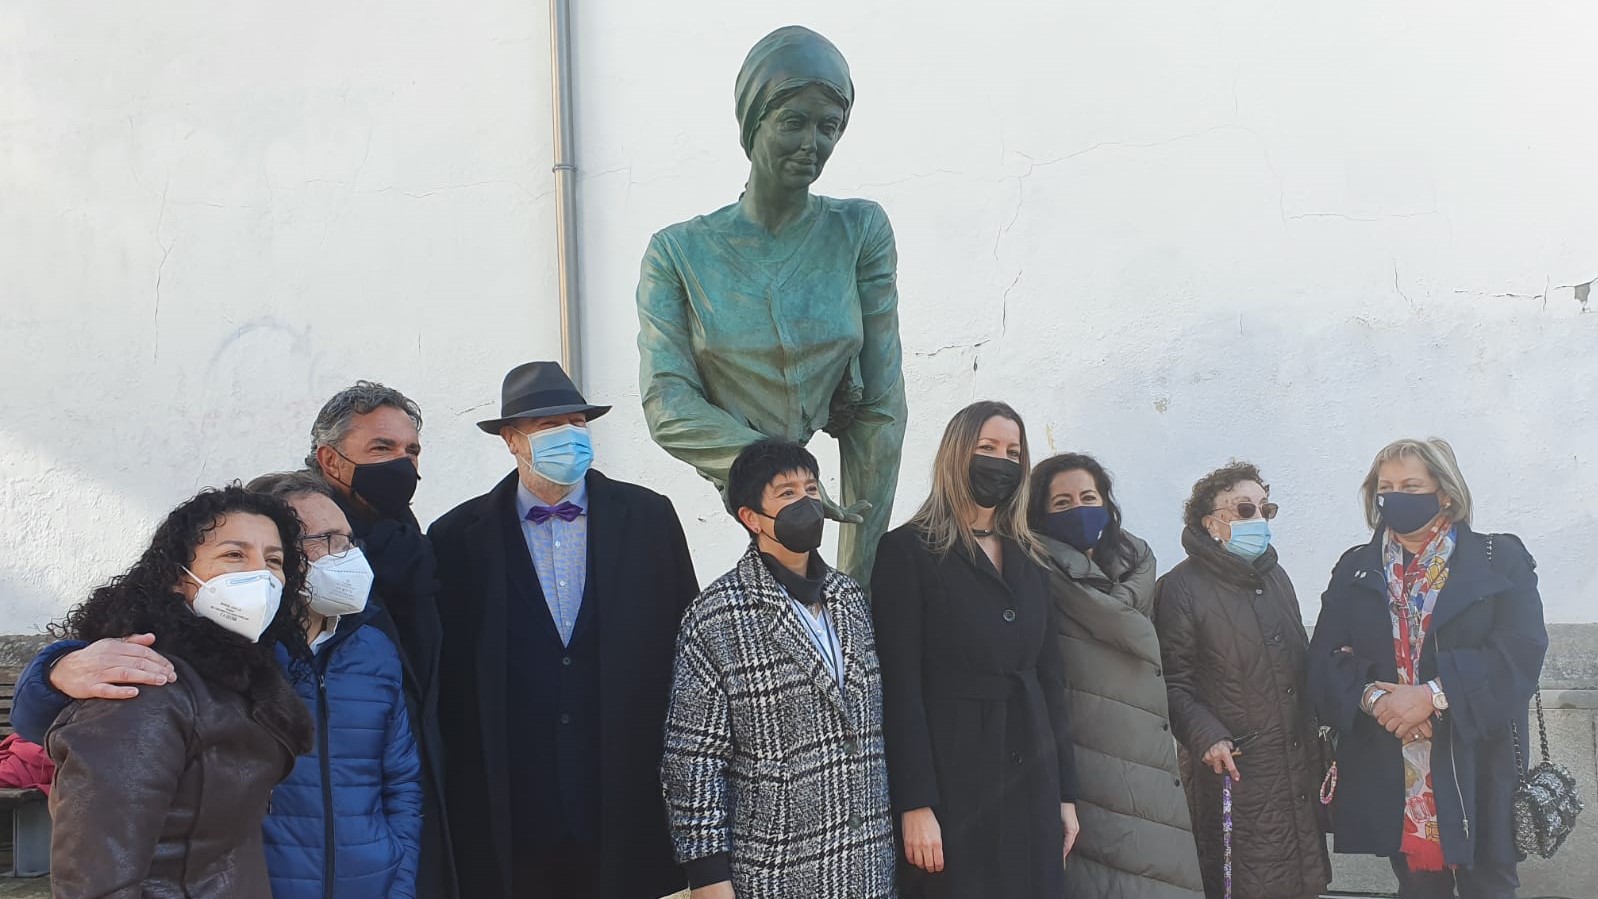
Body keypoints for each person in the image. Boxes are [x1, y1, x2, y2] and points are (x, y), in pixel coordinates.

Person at [15, 381, 457, 898]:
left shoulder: (372, 638)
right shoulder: (230, 646)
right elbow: (100, 844)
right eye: (320, 542)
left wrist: (398, 875)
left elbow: (401, 782)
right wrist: (55, 669)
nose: (343, 555)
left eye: (348, 540)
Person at [636, 24, 907, 582]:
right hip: (745, 487)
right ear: (753, 123)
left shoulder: (859, 230)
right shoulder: (678, 252)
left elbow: (881, 411)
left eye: (828, 127)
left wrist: (857, 580)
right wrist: (785, 480)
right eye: (793, 123)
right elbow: (668, 402)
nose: (812, 144)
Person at [429, 361, 699, 899]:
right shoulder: (457, 537)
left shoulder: (648, 517)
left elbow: (688, 644)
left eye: (577, 422)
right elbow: (452, 679)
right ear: (511, 440)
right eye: (549, 427)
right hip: (515, 807)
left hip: (625, 791)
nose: (569, 437)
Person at [46, 485, 315, 898]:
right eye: (234, 554)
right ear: (178, 578)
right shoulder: (149, 684)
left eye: (274, 560)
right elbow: (96, 878)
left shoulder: (239, 676)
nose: (261, 574)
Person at [1309, 438, 1546, 899]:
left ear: (1446, 492)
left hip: (1476, 758)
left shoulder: (1499, 559)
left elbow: (1521, 650)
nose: (1395, 496)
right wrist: (1382, 703)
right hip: (1394, 763)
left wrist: (1432, 697)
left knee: (1491, 886)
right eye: (1386, 487)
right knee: (1417, 887)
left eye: (1411, 485)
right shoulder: (1355, 568)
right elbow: (1325, 658)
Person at [662, 439, 895, 898]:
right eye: (787, 494)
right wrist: (709, 878)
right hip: (776, 869)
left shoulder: (849, 597)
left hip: (868, 864)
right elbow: (692, 761)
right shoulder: (717, 616)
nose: (806, 502)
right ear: (751, 518)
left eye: (811, 488)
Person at [872, 400, 1079, 899]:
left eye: (1013, 452)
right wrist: (916, 804)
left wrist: (1065, 794)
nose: (1000, 462)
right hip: (954, 779)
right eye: (987, 448)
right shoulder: (907, 551)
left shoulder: (1030, 556)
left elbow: (1052, 681)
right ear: (956, 453)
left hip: (1031, 770)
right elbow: (900, 687)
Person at [1027, 452, 1204, 899]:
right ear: (1040, 514)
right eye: (1062, 503)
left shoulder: (1138, 562)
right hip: (1087, 765)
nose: (1079, 509)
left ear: (1106, 504)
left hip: (1152, 763)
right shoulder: (1034, 573)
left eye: (1088, 497)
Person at [1153, 462, 1330, 899]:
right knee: (1244, 884)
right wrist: (1207, 736)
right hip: (1235, 768)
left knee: (1302, 881)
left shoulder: (1275, 577)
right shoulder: (1180, 588)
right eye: (1244, 509)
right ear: (1210, 522)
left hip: (1294, 768)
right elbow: (1171, 682)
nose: (1259, 521)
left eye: (1265, 509)